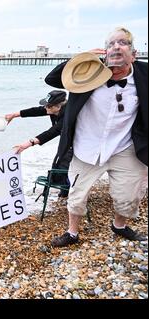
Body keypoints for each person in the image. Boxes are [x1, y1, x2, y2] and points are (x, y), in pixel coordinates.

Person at [45, 27, 148, 247]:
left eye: (122, 43)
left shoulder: (144, 75)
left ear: (134, 53)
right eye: (111, 44)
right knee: (77, 195)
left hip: (125, 146)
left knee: (129, 195)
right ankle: (72, 233)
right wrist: (83, 58)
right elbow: (52, 78)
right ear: (105, 52)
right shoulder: (88, 72)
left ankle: (119, 225)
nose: (116, 46)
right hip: (86, 145)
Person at [8, 90, 72, 197]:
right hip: (67, 140)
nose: (45, 108)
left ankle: (70, 191)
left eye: (48, 106)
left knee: (62, 168)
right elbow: (36, 111)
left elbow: (53, 132)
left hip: (79, 143)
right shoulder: (52, 109)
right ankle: (65, 190)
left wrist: (27, 144)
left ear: (58, 107)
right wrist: (15, 115)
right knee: (58, 165)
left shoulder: (69, 116)